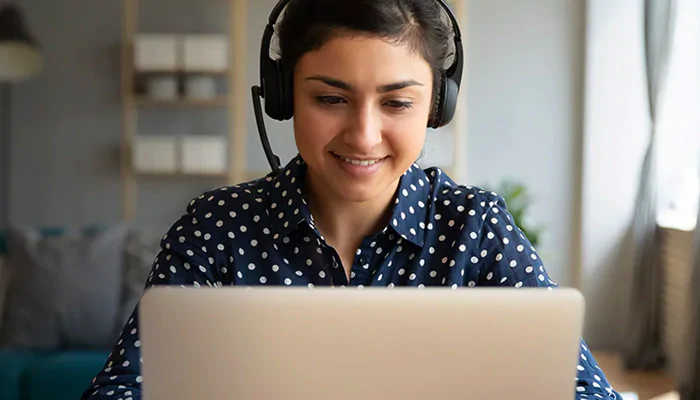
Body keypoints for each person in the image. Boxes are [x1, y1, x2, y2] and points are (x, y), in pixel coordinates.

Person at [81, 0, 621, 399]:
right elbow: (122, 389)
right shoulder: (218, 227)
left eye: (397, 103)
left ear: (437, 104)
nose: (364, 135)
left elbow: (584, 391)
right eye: (330, 98)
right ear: (283, 95)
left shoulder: (475, 226)